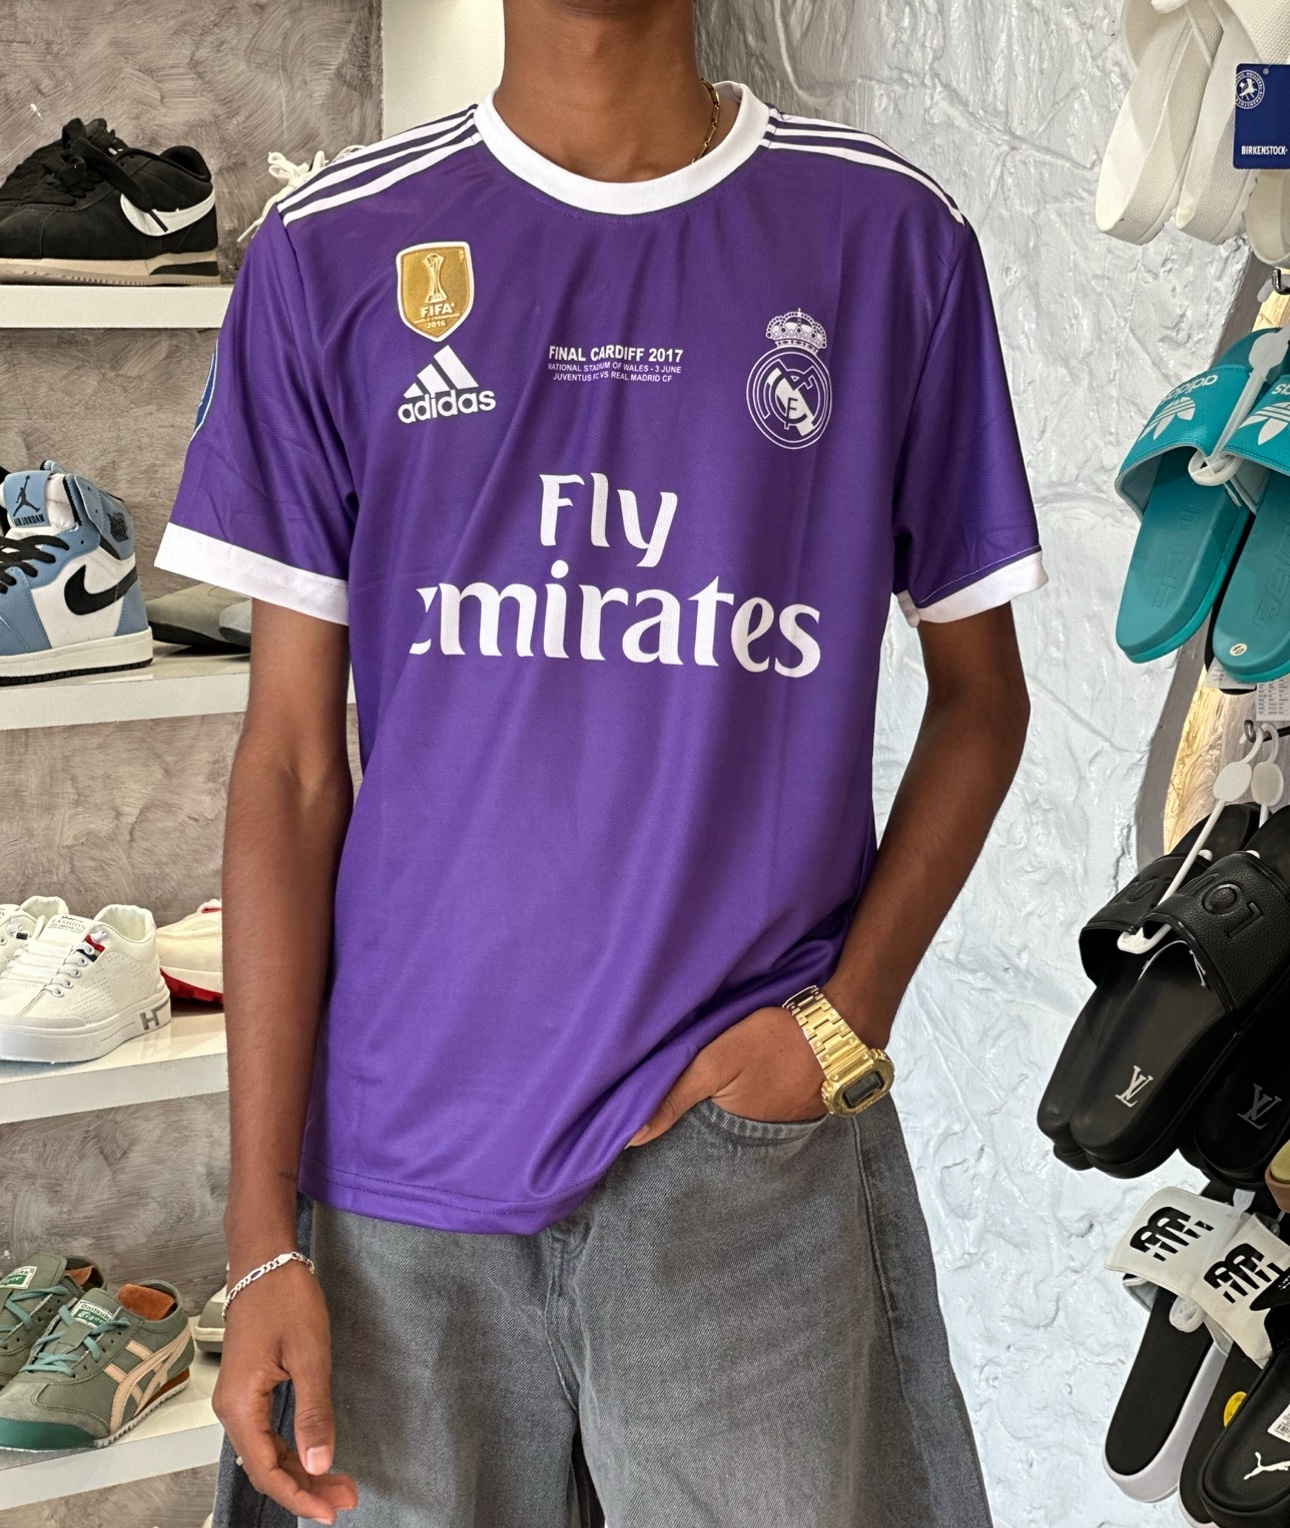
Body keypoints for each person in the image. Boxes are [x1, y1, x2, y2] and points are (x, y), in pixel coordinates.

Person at [158, 0, 1043, 1522]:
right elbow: (291, 766)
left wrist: (838, 1028)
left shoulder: (886, 239)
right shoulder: (330, 250)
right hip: (403, 1181)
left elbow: (982, 698)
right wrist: (258, 1237)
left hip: (742, 1172)